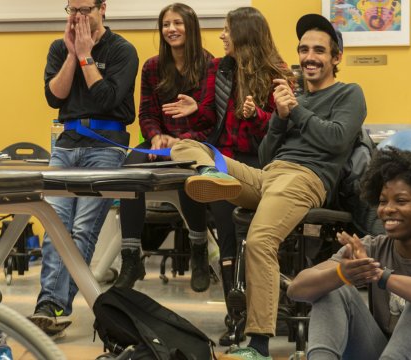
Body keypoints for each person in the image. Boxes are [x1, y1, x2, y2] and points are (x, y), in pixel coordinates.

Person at [170, 13, 365, 359]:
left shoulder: (349, 94)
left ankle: (258, 345)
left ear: (336, 58)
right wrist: (279, 117)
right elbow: (266, 153)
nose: (309, 57)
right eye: (304, 49)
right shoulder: (293, 97)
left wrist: (297, 113)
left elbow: (336, 141)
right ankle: (212, 174)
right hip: (268, 174)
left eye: (319, 50)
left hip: (306, 179)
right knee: (185, 146)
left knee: (259, 240)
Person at [288, 147, 411, 359]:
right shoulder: (370, 247)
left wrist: (382, 277)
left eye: (401, 201)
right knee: (331, 286)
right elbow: (297, 290)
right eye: (382, 201)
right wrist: (340, 274)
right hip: (387, 353)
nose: (387, 209)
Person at [30, 0, 138, 337]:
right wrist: (71, 54)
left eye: (85, 9)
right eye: (72, 10)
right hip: (66, 145)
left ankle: (53, 304)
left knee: (81, 229)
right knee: (55, 224)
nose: (78, 17)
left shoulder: (122, 50)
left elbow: (106, 98)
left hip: (106, 145)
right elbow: (55, 96)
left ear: (102, 8)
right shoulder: (57, 48)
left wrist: (86, 55)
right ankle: (50, 304)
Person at [113, 2, 217, 292]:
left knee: (188, 175)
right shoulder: (152, 66)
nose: (171, 29)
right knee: (129, 169)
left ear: (191, 27)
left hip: (196, 144)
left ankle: (198, 250)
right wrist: (156, 135)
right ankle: (131, 257)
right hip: (160, 143)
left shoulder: (210, 64)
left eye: (178, 23)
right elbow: (146, 113)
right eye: (166, 24)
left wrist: (184, 141)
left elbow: (213, 120)